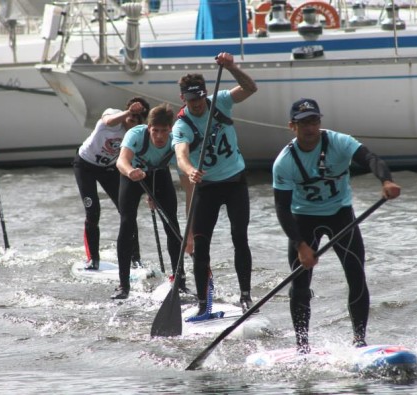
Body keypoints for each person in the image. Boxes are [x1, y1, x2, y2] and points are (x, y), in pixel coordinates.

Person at [272, 98, 401, 353]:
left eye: (314, 121)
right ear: (292, 126)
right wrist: (300, 245)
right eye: (303, 123)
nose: (310, 128)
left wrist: (386, 180)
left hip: (340, 215)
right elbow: (282, 209)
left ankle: (359, 340)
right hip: (302, 219)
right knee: (299, 285)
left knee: (356, 274)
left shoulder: (339, 142)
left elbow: (370, 158)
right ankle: (302, 346)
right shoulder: (284, 162)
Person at [172, 52, 258, 318]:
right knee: (201, 245)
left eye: (199, 98)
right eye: (190, 100)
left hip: (235, 182)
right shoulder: (182, 123)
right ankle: (202, 302)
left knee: (239, 238)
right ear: (183, 98)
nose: (196, 104)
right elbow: (181, 155)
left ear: (205, 93)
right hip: (206, 187)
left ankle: (245, 295)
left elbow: (250, 88)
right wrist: (190, 170)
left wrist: (231, 67)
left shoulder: (220, 101)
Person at [113, 104, 191, 299]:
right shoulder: (135, 134)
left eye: (164, 131)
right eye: (155, 131)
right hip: (132, 175)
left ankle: (179, 282)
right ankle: (123, 286)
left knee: (172, 225)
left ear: (170, 129)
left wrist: (193, 216)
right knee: (127, 223)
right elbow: (121, 161)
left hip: (159, 175)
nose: (159, 136)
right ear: (148, 128)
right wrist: (131, 171)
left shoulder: (176, 141)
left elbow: (187, 184)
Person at [73, 97, 150, 270]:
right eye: (130, 118)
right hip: (85, 165)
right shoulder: (113, 117)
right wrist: (129, 112)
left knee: (127, 212)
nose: (131, 123)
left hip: (109, 169)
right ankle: (93, 259)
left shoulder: (136, 135)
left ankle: (135, 259)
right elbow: (107, 119)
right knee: (93, 212)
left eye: (136, 120)